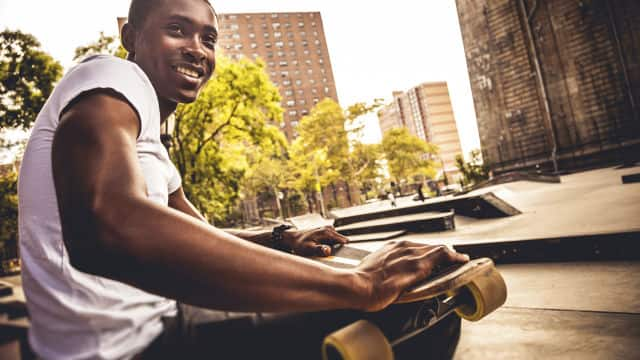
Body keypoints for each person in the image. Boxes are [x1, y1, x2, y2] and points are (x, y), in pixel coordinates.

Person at [17, 0, 469, 358]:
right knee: (418, 311)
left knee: (414, 303)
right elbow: (105, 226)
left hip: (158, 319)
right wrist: (359, 284)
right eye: (177, 30)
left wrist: (282, 239)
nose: (198, 48)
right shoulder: (112, 76)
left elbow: (201, 235)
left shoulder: (149, 141)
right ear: (130, 38)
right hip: (127, 348)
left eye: (208, 38)